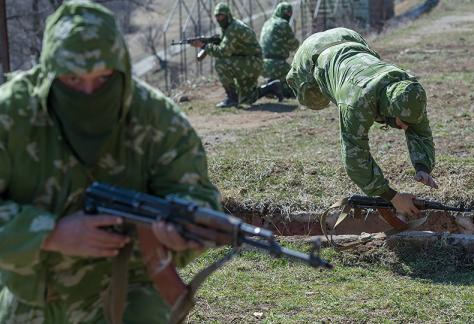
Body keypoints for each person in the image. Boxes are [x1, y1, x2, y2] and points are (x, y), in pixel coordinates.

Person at [0, 2, 223, 322]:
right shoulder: (12, 114)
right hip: (34, 293)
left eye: (104, 78)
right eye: (72, 80)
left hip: (130, 288)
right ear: (48, 73)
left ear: (122, 69)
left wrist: (182, 235)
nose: (89, 92)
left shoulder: (157, 120)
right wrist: (50, 233)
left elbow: (199, 201)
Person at [287, 28, 438, 218]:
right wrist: (392, 197)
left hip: (349, 38)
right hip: (311, 54)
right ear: (387, 109)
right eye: (404, 122)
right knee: (315, 101)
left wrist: (422, 167)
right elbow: (354, 157)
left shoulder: (408, 90)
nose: (406, 127)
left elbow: (421, 130)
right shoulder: (356, 102)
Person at [191, 2, 282, 108]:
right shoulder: (229, 27)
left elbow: (223, 52)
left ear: (228, 15)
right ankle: (272, 87)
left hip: (253, 63)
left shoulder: (233, 28)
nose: (219, 19)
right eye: (217, 16)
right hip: (249, 62)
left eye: (221, 16)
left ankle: (231, 98)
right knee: (246, 99)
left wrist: (204, 46)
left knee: (221, 63)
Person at [259, 2, 299, 98]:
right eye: (286, 13)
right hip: (278, 66)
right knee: (296, 85)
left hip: (262, 65)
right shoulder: (283, 24)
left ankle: (271, 86)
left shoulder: (267, 23)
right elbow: (294, 45)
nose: (287, 16)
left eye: (289, 14)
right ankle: (278, 89)